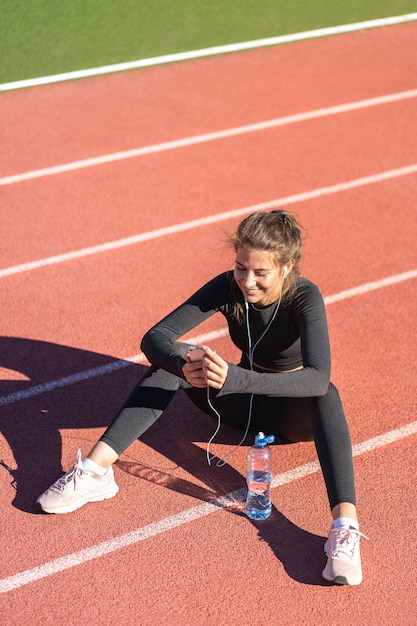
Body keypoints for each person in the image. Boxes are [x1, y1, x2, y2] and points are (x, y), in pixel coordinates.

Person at [37, 209, 366, 585]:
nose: (248, 281)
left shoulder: (305, 297)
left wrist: (236, 377)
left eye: (261, 273)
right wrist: (183, 367)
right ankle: (95, 472)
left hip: (291, 411)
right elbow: (155, 337)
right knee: (177, 358)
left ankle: (345, 529)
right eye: (242, 267)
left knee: (328, 394)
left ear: (287, 267)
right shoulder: (229, 286)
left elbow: (316, 378)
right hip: (239, 402)